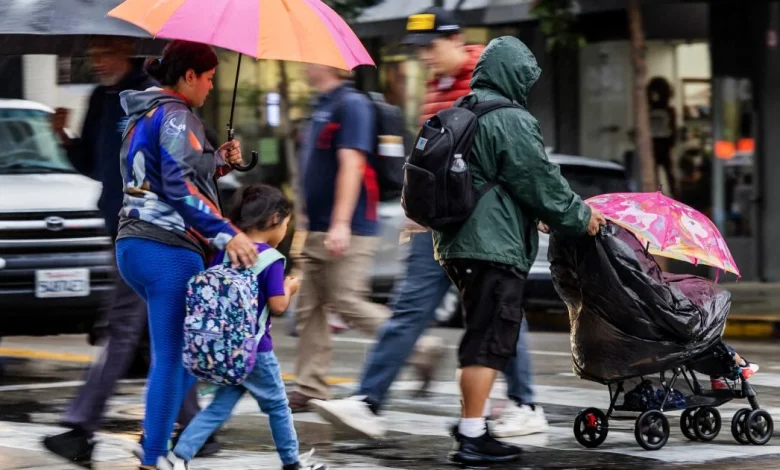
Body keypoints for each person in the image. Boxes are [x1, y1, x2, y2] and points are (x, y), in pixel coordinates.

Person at [310, 7, 548, 440]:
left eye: (432, 47)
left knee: (500, 313)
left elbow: (512, 154)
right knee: (410, 308)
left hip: (483, 228)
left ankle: (525, 402)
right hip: (440, 224)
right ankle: (368, 400)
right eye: (418, 50)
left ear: (457, 40)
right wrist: (418, 208)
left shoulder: (489, 77)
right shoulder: (437, 86)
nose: (425, 57)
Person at [42, 36, 218, 466]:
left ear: (128, 50)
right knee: (157, 333)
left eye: (104, 52)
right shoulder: (107, 99)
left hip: (152, 233)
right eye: (93, 54)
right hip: (129, 228)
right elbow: (98, 163)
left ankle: (84, 427)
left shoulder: (156, 99)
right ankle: (187, 429)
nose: (96, 61)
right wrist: (63, 137)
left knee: (130, 331)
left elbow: (184, 167)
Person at [434, 36, 606, 464]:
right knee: (488, 340)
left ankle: (473, 425)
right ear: (514, 76)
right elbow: (539, 178)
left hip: (460, 243)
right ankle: (472, 436)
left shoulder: (461, 110)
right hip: (492, 247)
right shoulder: (508, 117)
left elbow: (499, 183)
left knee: (482, 335)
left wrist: (534, 214)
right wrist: (579, 216)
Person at [114, 40, 259, 469]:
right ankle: (154, 454)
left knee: (180, 355)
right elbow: (178, 187)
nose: (213, 87)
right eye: (210, 78)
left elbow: (162, 175)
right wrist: (225, 233)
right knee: (174, 357)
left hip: (134, 244)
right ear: (190, 75)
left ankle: (155, 446)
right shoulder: (178, 116)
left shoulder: (146, 112)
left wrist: (217, 162)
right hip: (168, 248)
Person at [287, 64, 443, 412]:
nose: (307, 65)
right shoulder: (320, 106)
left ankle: (421, 348)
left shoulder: (351, 105)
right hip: (315, 226)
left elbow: (352, 163)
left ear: (330, 65)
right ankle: (310, 386)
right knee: (308, 308)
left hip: (350, 226)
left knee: (348, 302)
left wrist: (341, 222)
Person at [159, 184, 327, 470]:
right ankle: (293, 463)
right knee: (277, 406)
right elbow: (277, 306)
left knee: (218, 408)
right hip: (257, 350)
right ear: (274, 220)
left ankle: (177, 457)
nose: (284, 231)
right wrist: (290, 287)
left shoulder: (226, 252)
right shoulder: (271, 259)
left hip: (228, 348)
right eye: (285, 224)